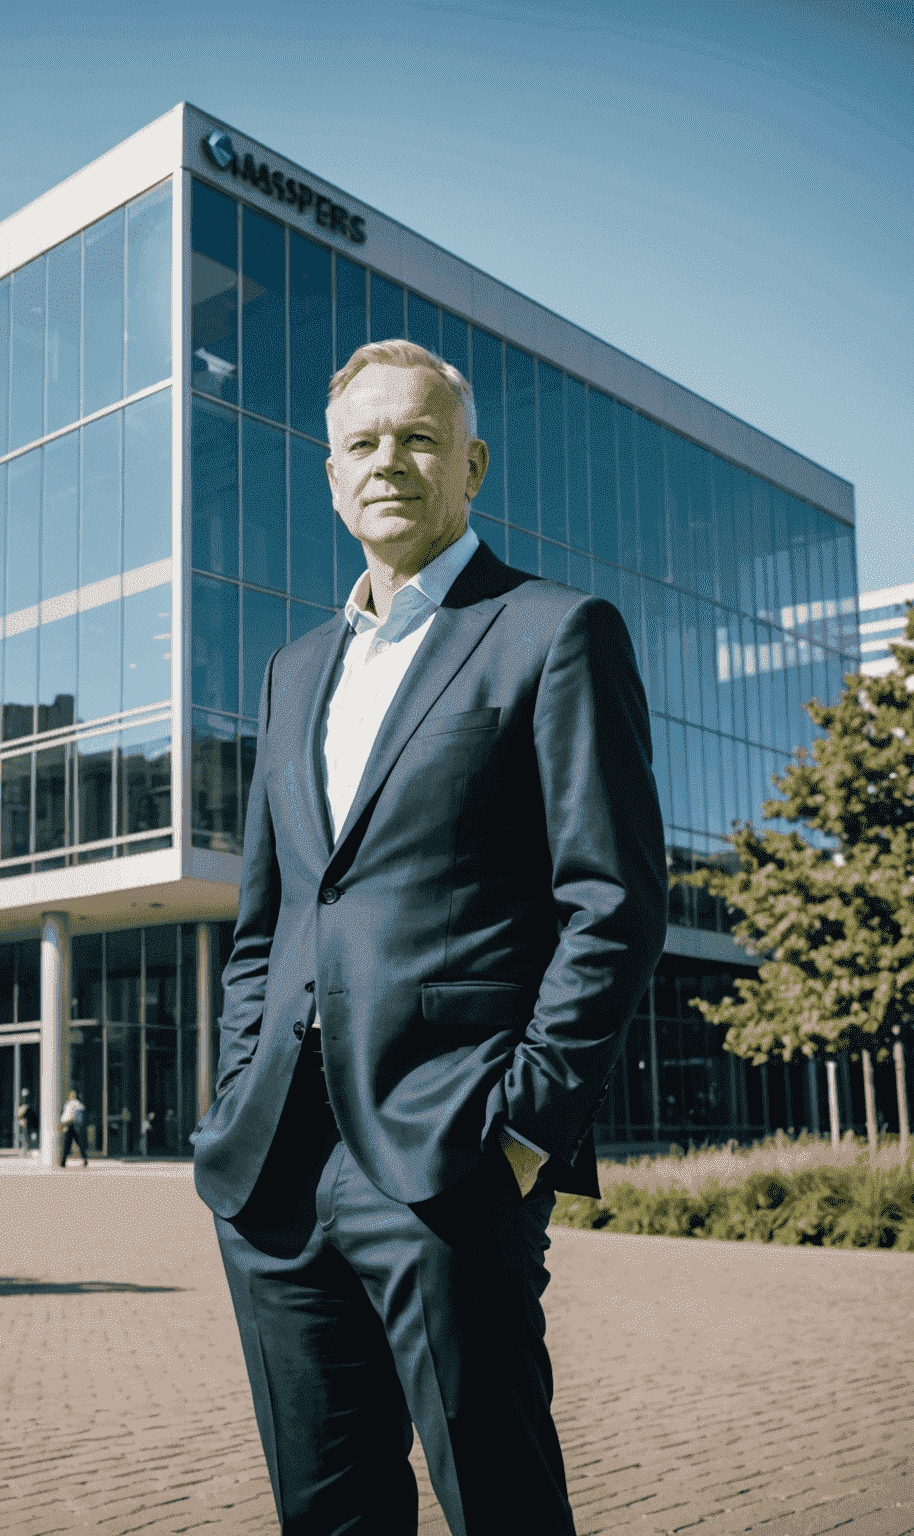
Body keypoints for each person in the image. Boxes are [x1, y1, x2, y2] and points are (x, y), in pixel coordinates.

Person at [191, 340, 667, 1536]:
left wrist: (521, 1131)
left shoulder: (551, 631)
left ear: (473, 463)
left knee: (500, 1504)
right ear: (331, 473)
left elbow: (613, 902)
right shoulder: (293, 672)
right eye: (362, 442)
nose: (387, 462)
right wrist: (237, 1086)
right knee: (328, 1514)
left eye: (417, 437)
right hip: (276, 1178)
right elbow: (267, 922)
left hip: (450, 1162)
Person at [59, 1089, 89, 1167]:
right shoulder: (68, 1103)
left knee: (68, 1143)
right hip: (68, 1124)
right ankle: (84, 1159)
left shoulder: (76, 1103)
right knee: (72, 1143)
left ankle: (63, 1162)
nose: (71, 1096)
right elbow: (66, 1114)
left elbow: (80, 1110)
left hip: (71, 1125)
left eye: (72, 1095)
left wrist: (70, 1120)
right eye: (71, 1094)